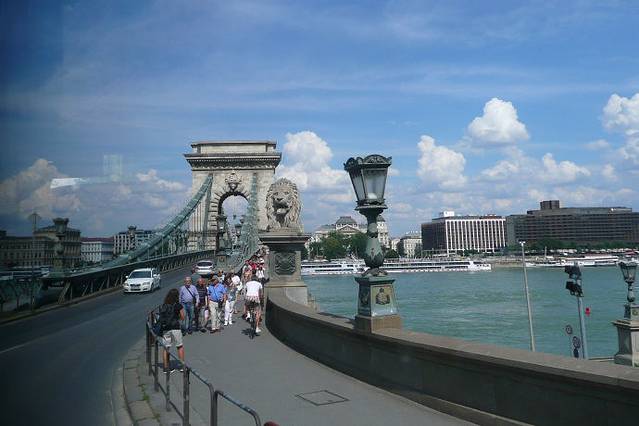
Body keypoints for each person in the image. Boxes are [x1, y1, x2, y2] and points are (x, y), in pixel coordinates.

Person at [159, 288, 185, 373]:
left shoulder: (164, 305)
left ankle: (166, 368)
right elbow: (183, 317)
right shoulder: (178, 305)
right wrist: (178, 318)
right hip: (175, 327)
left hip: (166, 328)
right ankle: (182, 366)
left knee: (166, 347)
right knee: (179, 346)